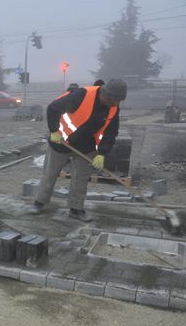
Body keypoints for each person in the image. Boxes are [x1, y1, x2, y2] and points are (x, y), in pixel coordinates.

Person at [30, 79, 127, 222]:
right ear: (106, 95)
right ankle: (39, 203)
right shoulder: (81, 95)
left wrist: (102, 154)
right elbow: (53, 108)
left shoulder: (113, 107)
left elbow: (110, 132)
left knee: (81, 178)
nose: (116, 104)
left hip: (86, 145)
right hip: (61, 141)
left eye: (118, 101)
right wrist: (54, 131)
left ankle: (76, 209)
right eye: (114, 100)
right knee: (50, 173)